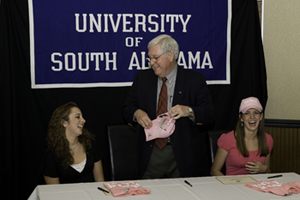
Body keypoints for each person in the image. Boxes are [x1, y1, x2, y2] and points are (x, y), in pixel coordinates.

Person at [122, 34, 215, 179]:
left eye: (155, 57)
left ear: (170, 55)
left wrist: (189, 111)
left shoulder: (194, 80)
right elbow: (127, 108)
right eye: (149, 58)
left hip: (183, 155)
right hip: (152, 152)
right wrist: (137, 113)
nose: (151, 62)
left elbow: (209, 114)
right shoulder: (143, 78)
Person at [43, 102, 104, 184]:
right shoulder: (52, 155)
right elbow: (53, 192)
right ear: (64, 123)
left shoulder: (90, 145)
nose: (84, 120)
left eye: (82, 117)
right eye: (78, 117)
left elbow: (100, 180)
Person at [210, 97, 273, 176]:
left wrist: (265, 169)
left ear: (261, 117)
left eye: (256, 113)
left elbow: (268, 171)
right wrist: (229, 185)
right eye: (247, 113)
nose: (252, 117)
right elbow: (214, 170)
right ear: (241, 118)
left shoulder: (268, 139)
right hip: (233, 185)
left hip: (258, 185)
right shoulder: (227, 139)